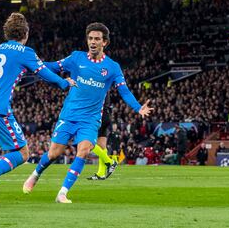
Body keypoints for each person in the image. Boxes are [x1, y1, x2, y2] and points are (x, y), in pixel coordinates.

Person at [0, 12, 76, 209]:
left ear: (6, 33)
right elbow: (45, 74)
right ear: (25, 33)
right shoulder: (26, 52)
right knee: (22, 152)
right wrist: (65, 83)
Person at [23, 22, 153, 203]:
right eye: (90, 38)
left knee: (83, 151)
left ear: (105, 42)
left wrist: (138, 107)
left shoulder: (112, 67)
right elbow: (52, 66)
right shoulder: (76, 58)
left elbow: (124, 91)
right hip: (69, 115)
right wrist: (29, 64)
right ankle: (35, 174)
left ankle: (62, 193)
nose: (93, 42)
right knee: (54, 153)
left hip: (90, 119)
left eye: (97, 39)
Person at [87, 95, 118, 180]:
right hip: (106, 115)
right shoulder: (105, 85)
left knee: (88, 142)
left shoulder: (98, 85)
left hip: (98, 116)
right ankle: (101, 173)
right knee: (101, 146)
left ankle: (110, 162)